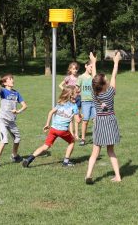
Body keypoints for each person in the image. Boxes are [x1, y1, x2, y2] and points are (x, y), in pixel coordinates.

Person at [85, 52, 122, 184]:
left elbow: (95, 79)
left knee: (95, 151)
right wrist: (116, 62)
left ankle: (88, 174)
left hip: (100, 121)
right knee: (111, 151)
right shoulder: (111, 92)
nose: (107, 78)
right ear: (104, 84)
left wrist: (93, 62)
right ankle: (117, 176)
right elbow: (114, 75)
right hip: (110, 121)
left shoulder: (94, 93)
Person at [22, 86, 80, 168]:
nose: (77, 94)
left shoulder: (61, 103)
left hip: (53, 129)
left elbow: (51, 112)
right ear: (71, 95)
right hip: (62, 130)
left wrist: (47, 124)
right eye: (76, 92)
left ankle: (29, 159)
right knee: (72, 142)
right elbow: (77, 120)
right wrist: (80, 117)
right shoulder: (74, 106)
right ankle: (66, 162)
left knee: (46, 146)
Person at [0, 69, 27, 168]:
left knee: (17, 138)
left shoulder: (16, 93)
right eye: (10, 79)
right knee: (4, 140)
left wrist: (18, 111)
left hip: (11, 121)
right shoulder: (3, 91)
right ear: (4, 82)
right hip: (2, 120)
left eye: (12, 79)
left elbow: (25, 105)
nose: (12, 80)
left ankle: (14, 156)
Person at [76, 57, 96, 146]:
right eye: (90, 66)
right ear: (86, 66)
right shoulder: (81, 77)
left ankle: (96, 138)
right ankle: (83, 139)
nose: (92, 69)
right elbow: (77, 88)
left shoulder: (94, 77)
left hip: (94, 102)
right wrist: (77, 91)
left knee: (96, 120)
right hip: (85, 102)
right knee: (85, 120)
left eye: (93, 67)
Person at [59, 62, 82, 139]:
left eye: (76, 69)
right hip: (70, 99)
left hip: (78, 98)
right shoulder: (68, 78)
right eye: (73, 69)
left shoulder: (79, 77)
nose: (75, 70)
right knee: (70, 117)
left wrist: (79, 91)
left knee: (77, 116)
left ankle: (76, 134)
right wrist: (67, 91)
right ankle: (71, 133)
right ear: (70, 69)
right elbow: (60, 85)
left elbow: (80, 87)